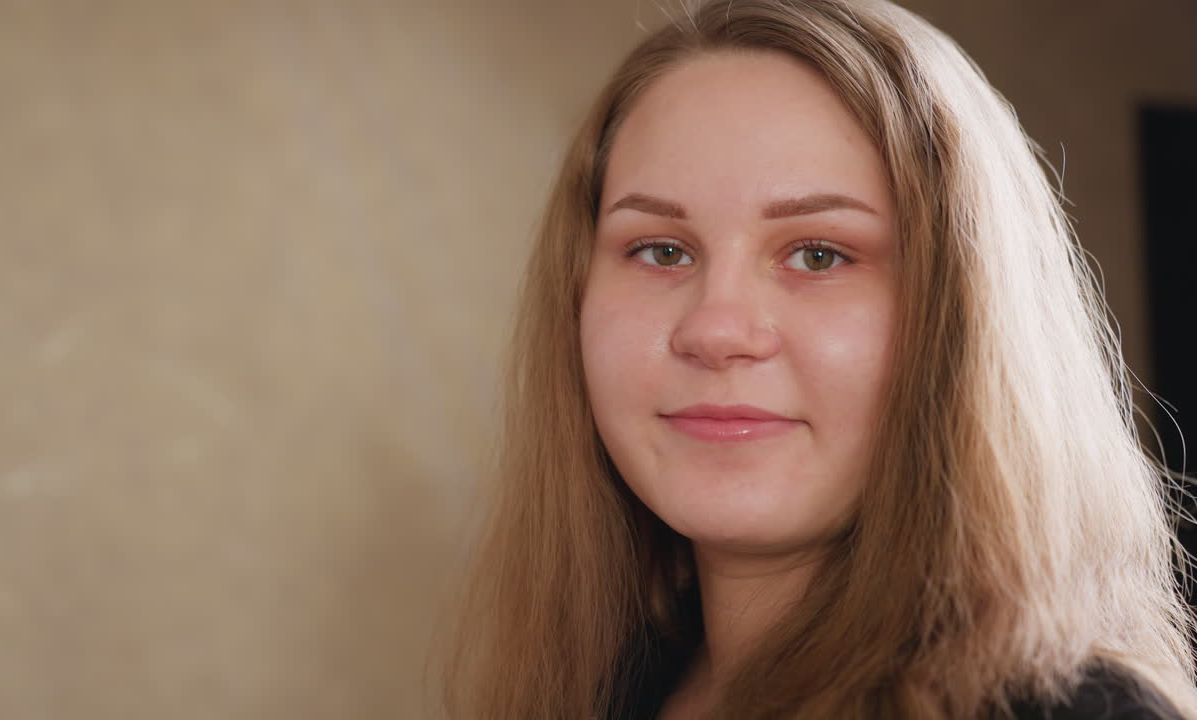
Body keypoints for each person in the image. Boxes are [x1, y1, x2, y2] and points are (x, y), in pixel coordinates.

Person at [437, 0, 1197, 717]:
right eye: (661, 250)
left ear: (960, 323)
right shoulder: (604, 690)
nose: (717, 328)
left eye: (819, 254)